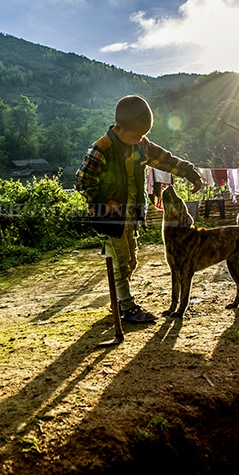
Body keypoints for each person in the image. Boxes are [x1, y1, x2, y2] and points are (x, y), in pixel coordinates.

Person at [76, 95, 203, 322]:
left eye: (143, 135)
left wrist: (190, 173)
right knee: (120, 261)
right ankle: (126, 306)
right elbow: (82, 181)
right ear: (119, 127)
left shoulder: (141, 146)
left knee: (131, 261)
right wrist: (103, 200)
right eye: (135, 136)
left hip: (131, 216)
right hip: (110, 218)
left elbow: (166, 160)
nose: (139, 140)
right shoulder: (101, 149)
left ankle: (118, 300)